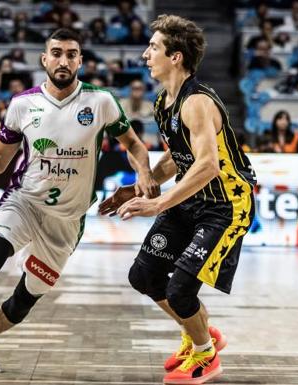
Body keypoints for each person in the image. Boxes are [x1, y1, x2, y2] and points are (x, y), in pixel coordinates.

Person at [0, 28, 158, 374]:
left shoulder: (101, 101)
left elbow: (135, 145)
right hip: (25, 202)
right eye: (57, 52)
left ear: (80, 60)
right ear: (44, 59)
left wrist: (144, 173)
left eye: (71, 53)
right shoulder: (21, 105)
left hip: (67, 220)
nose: (64, 60)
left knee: (24, 301)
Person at [99, 15, 256, 385]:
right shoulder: (163, 101)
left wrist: (157, 203)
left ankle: (205, 355)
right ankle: (202, 333)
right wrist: (144, 185)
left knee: (181, 289)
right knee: (144, 276)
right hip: (190, 200)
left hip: (225, 205)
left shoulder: (196, 102)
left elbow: (208, 166)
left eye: (153, 47)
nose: (145, 54)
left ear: (176, 57)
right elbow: (175, 157)